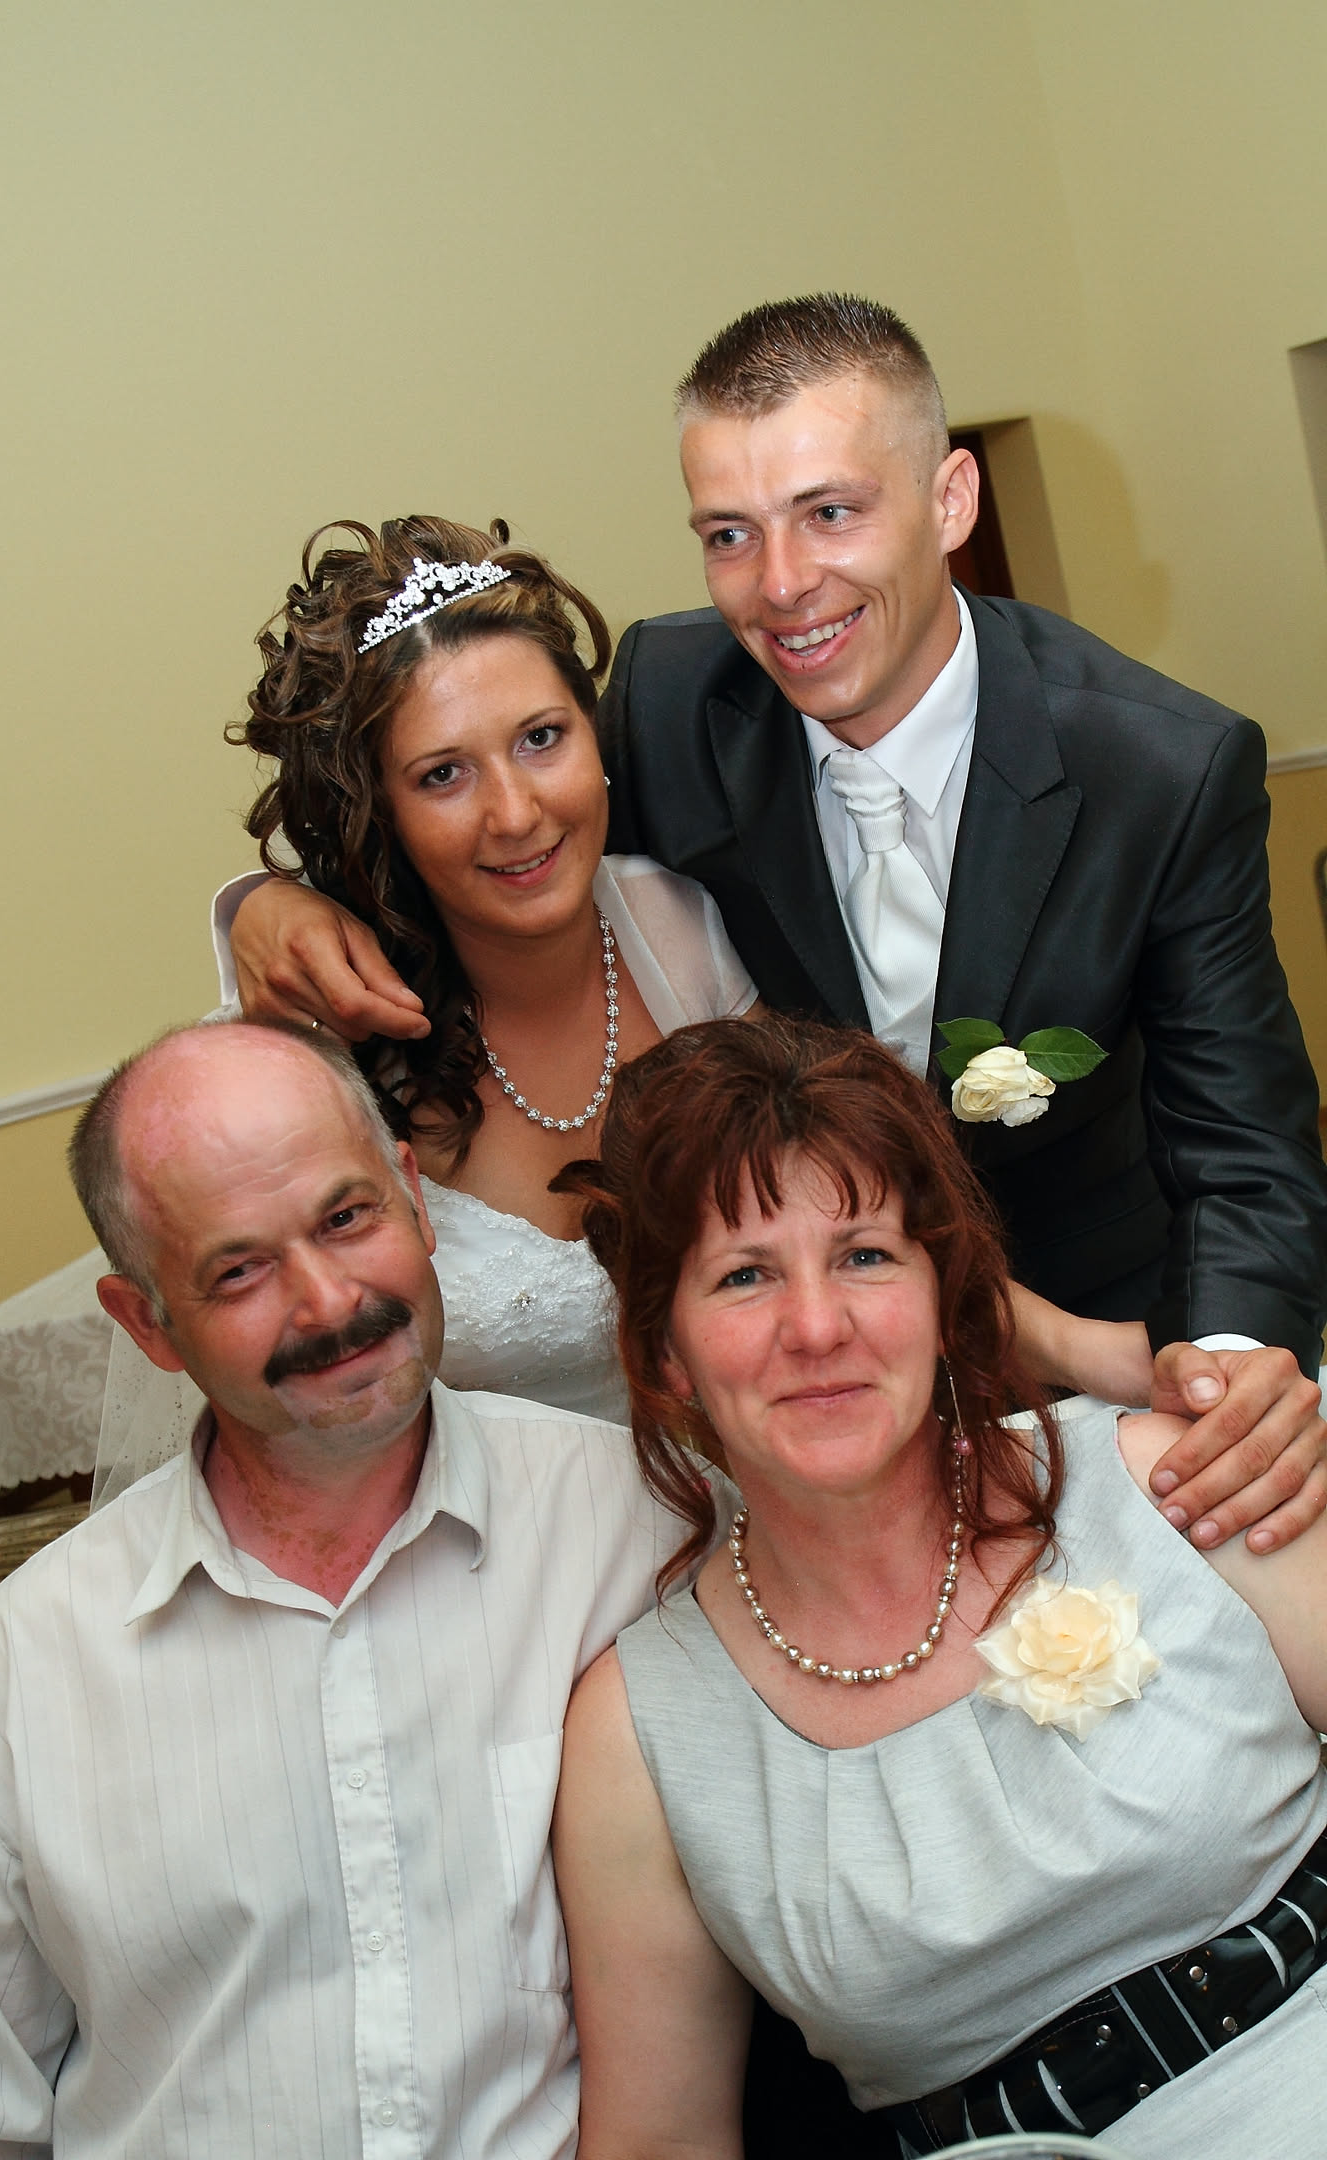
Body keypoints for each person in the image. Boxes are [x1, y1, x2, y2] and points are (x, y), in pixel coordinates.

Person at [222, 299, 1327, 1544]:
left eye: (831, 512)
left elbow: (1244, 1146)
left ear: (951, 500)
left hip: (1098, 1355)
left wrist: (1230, 1374)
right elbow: (475, 816)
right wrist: (269, 900)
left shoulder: (1162, 770)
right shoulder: (668, 700)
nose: (786, 586)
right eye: (730, 535)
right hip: (770, 1417)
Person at [0, 1019, 683, 2158]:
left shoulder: (634, 1528)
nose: (327, 1302)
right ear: (147, 1324)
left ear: (413, 1197)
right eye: (239, 1271)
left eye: (347, 1218)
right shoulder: (28, 1667)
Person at [552, 1015, 1327, 2160]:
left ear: (942, 1288)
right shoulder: (638, 1735)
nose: (817, 1327)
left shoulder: (1174, 1480)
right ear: (665, 1350)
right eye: (744, 1275)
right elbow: (660, 2142)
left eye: (865, 1256)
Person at [196, 514, 1155, 1432]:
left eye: (542, 738)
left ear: (596, 736)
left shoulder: (678, 923)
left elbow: (847, 1209)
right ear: (382, 812)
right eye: (443, 774)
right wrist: (258, 901)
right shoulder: (319, 1026)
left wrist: (1097, 1353)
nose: (517, 813)